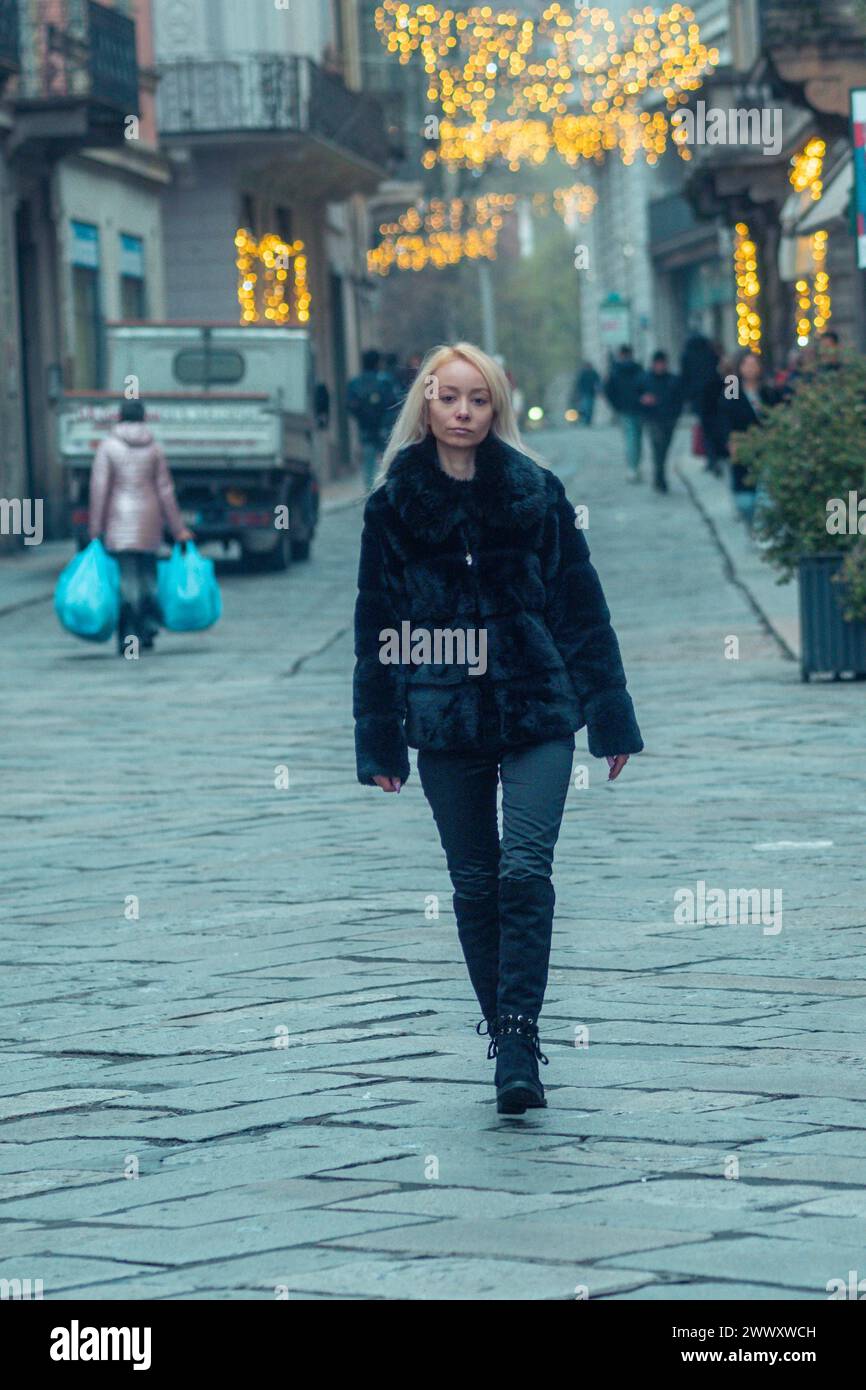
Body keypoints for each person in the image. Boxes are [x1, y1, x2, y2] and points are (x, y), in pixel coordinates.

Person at [352, 341, 643, 1115]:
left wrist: (609, 715)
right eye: (449, 398)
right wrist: (379, 737)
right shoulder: (392, 507)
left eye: (477, 400)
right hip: (445, 719)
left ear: (496, 407)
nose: (462, 412)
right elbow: (377, 629)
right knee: (475, 885)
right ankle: (501, 1031)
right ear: (425, 403)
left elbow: (581, 607)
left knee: (524, 869)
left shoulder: (535, 492)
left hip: (539, 709)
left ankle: (518, 1039)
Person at [88, 399, 192, 656]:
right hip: (149, 518)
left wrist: (95, 527)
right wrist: (178, 528)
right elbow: (166, 491)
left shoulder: (107, 447)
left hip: (119, 518)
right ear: (144, 418)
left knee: (126, 578)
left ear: (119, 417)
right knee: (147, 575)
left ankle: (127, 635)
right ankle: (147, 629)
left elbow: (100, 489)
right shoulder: (154, 448)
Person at [716, 349, 779, 528]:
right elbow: (724, 415)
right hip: (742, 446)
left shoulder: (767, 391)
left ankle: (762, 530)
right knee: (745, 500)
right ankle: (752, 524)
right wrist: (729, 440)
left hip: (766, 446)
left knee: (766, 493)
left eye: (754, 364)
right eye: (746, 364)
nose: (751, 368)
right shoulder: (732, 387)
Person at [347, 350, 400, 491]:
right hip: (384, 429)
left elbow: (350, 406)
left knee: (368, 465)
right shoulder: (385, 381)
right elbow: (394, 403)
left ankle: (370, 493)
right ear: (377, 363)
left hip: (365, 430)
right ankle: (384, 490)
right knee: (386, 463)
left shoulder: (355, 383)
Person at [638, 351, 683, 493]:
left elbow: (679, 399)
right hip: (652, 419)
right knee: (657, 448)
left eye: (662, 363)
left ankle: (659, 476)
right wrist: (643, 400)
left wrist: (675, 414)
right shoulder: (645, 379)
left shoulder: (673, 379)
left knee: (664, 449)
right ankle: (660, 477)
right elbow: (636, 396)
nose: (660, 366)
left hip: (669, 419)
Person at [604, 345, 645, 482]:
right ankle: (634, 467)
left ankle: (633, 467)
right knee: (634, 438)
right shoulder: (635, 369)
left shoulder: (616, 370)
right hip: (632, 409)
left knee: (633, 439)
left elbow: (609, 391)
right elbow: (609, 391)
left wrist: (616, 406)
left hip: (630, 409)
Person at [679, 331, 720, 414]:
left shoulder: (686, 356)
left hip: (695, 391)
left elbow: (685, 375)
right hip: (710, 389)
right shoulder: (710, 353)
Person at [572, 361, 601, 426]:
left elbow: (598, 382)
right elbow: (579, 384)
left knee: (590, 407)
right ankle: (584, 420)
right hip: (584, 393)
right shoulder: (582, 374)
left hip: (591, 393)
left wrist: (598, 390)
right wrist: (578, 393)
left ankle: (588, 421)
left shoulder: (594, 373)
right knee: (585, 407)